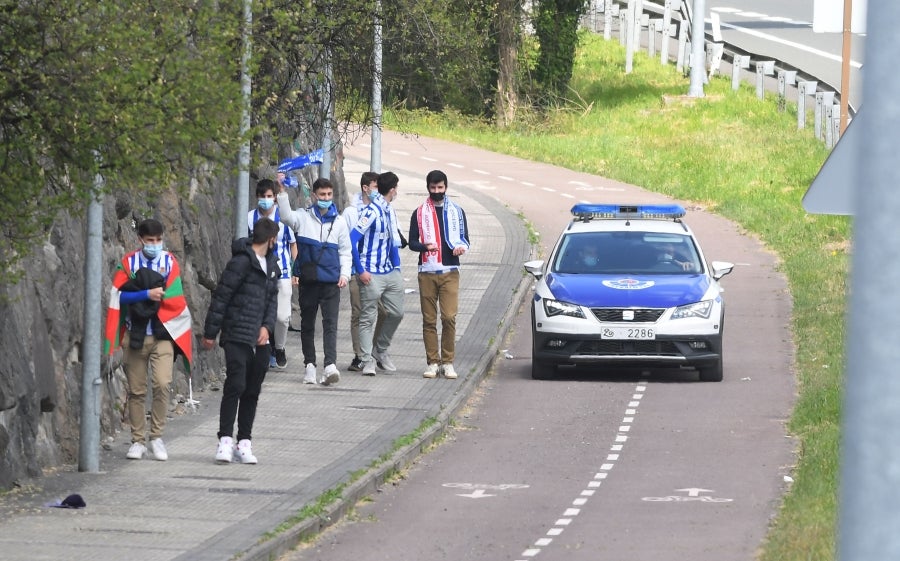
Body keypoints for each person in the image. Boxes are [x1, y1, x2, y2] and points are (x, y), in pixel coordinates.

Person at [104, 218, 193, 461]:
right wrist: (146, 293)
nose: (155, 245)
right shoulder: (129, 263)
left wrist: (153, 297)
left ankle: (156, 437)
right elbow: (117, 296)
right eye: (150, 241)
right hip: (135, 335)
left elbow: (175, 298)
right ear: (141, 240)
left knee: (163, 383)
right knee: (137, 390)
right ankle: (137, 440)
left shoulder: (169, 262)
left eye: (158, 240)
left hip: (163, 335)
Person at [202, 218, 280, 464]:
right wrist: (210, 332)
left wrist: (267, 327)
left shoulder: (271, 264)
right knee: (235, 384)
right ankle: (225, 439)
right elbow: (222, 297)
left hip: (260, 339)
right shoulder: (240, 262)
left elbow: (272, 300)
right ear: (270, 239)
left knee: (252, 390)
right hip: (237, 333)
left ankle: (244, 442)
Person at [277, 177, 351, 385]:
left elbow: (346, 252)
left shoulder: (340, 222)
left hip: (331, 282)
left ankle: (330, 365)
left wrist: (344, 275)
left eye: (329, 195)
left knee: (330, 324)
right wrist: (282, 192)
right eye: (322, 195)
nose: (326, 198)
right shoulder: (303, 217)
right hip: (308, 281)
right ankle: (309, 365)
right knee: (307, 324)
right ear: (315, 196)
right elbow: (286, 216)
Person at [407, 170, 470, 379]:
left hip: (450, 270)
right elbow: (412, 243)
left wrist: (461, 248)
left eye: (440, 187)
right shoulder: (418, 213)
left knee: (449, 317)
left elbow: (465, 239)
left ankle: (448, 361)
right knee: (429, 319)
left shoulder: (457, 211)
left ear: (446, 187)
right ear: (428, 188)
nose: (437, 191)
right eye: (433, 188)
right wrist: (425, 247)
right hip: (427, 271)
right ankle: (433, 361)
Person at [350, 171, 405, 376]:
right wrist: (360, 269)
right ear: (392, 190)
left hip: (388, 270)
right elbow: (352, 239)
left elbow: (393, 242)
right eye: (396, 188)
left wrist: (397, 268)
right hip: (370, 271)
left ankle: (380, 349)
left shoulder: (389, 211)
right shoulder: (371, 211)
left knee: (397, 312)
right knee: (367, 316)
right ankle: (366, 360)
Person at [248, 179, 297, 370]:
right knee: (260, 314)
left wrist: (295, 269)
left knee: (282, 316)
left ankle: (280, 347)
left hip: (283, 272)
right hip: (258, 273)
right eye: (263, 196)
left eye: (269, 196)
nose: (266, 200)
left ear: (275, 198)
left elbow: (293, 244)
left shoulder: (283, 218)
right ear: (257, 197)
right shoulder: (250, 218)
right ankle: (265, 350)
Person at [341, 171, 379, 372]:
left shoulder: (382, 209)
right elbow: (347, 243)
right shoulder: (351, 213)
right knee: (359, 312)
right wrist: (352, 270)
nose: (377, 192)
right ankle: (360, 355)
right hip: (358, 271)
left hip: (378, 270)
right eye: (375, 187)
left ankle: (376, 350)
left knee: (383, 312)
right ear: (365, 188)